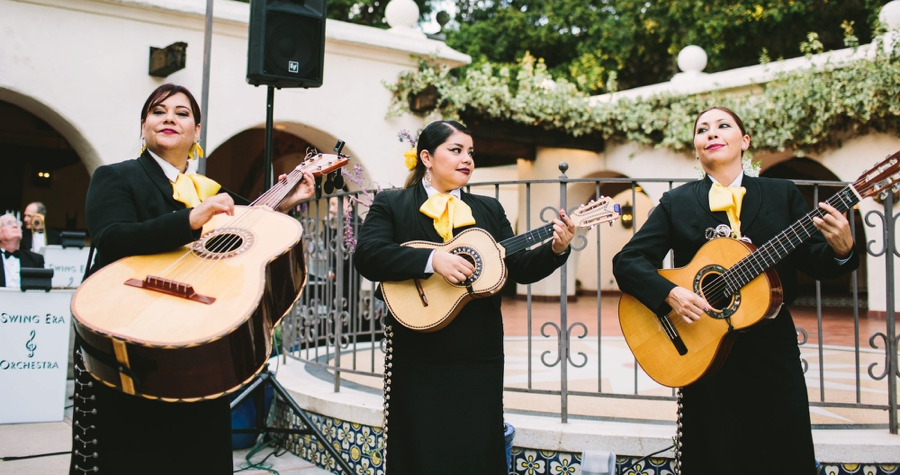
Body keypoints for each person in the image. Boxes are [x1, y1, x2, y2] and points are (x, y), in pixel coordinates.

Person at [69, 83, 315, 475]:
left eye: (182, 113)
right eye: (158, 111)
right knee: (132, 454)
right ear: (144, 125)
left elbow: (251, 225)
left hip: (198, 338)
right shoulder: (116, 177)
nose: (169, 117)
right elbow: (111, 237)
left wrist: (284, 201)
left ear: (197, 132)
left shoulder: (211, 191)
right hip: (133, 327)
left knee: (199, 452)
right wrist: (189, 219)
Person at [612, 107, 858, 474]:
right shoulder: (676, 203)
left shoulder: (782, 194)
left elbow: (813, 261)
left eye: (723, 126)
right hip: (704, 350)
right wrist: (670, 294)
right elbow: (627, 261)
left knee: (783, 450)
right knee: (715, 454)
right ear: (696, 148)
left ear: (744, 142)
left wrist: (843, 249)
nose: (712, 133)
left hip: (772, 349)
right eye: (702, 130)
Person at [354, 120, 576, 475]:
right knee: (419, 443)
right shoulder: (392, 203)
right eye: (456, 150)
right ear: (426, 157)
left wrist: (556, 247)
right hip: (416, 348)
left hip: (478, 349)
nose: (467, 159)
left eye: (470, 152)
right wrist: (432, 260)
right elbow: (368, 256)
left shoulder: (489, 209)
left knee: (476, 444)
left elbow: (518, 266)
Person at [0, 214, 45, 287]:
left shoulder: (35, 260)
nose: (15, 226)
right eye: (8, 223)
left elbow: (39, 292)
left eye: (17, 223)